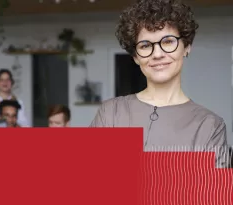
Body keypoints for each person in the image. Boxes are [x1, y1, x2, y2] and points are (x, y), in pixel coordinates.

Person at [90, 0, 230, 168]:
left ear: (186, 47)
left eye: (168, 41)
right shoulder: (111, 113)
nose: (157, 54)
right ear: (136, 56)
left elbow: (208, 193)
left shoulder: (209, 126)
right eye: (145, 45)